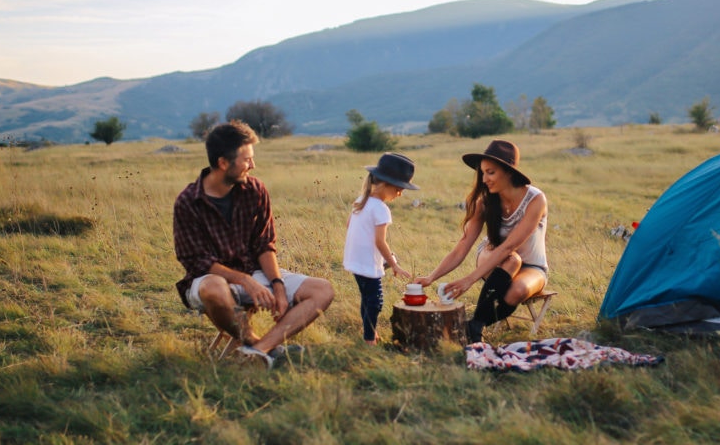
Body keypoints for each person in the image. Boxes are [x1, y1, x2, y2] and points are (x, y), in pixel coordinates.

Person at [173, 120, 334, 368]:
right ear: (223, 163)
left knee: (323, 290)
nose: (253, 165)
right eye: (247, 160)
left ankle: (259, 350)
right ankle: (257, 343)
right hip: (208, 280)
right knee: (215, 287)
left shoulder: (255, 190)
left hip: (254, 273)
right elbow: (197, 261)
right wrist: (244, 280)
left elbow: (264, 243)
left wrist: (278, 287)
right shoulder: (188, 202)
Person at [414, 139, 547, 343]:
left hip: (532, 267)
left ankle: (474, 325)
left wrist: (469, 279)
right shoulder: (484, 202)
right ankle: (474, 329)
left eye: (490, 172)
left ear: (509, 172)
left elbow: (511, 245)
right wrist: (431, 277)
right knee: (512, 261)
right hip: (495, 259)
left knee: (517, 290)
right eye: (482, 173)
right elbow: (463, 246)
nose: (484, 179)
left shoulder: (535, 199)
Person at [343, 152, 418, 345]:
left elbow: (349, 224)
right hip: (368, 264)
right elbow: (380, 242)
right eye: (399, 189)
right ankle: (369, 340)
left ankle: (370, 332)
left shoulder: (361, 200)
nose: (400, 194)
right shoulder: (381, 209)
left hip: (355, 260)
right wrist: (393, 264)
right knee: (376, 302)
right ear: (386, 184)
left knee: (367, 300)